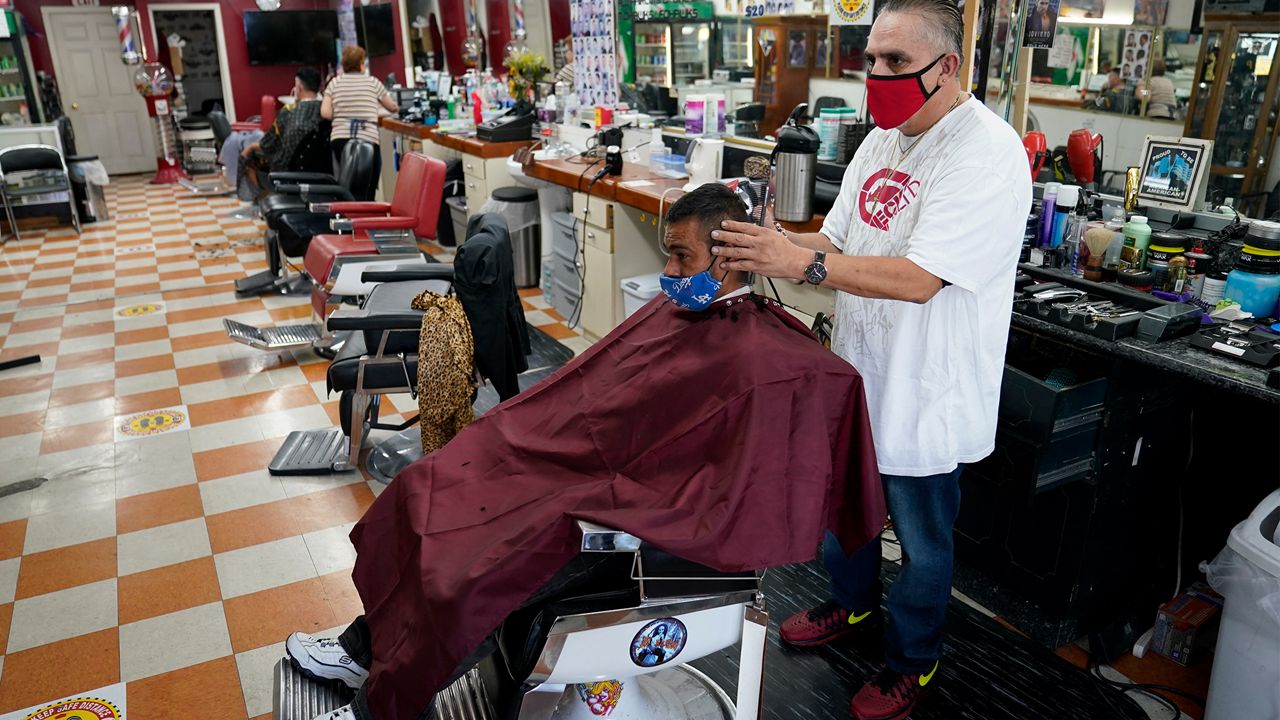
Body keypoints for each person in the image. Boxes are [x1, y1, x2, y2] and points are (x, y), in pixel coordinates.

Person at [285, 184, 886, 720]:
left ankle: (379, 708)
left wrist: (614, 503)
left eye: (681, 257)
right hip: (579, 468)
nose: (669, 272)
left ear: (729, 258)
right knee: (429, 489)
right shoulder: (682, 311)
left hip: (627, 514)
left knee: (469, 570)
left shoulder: (769, 361)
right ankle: (361, 652)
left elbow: (726, 478)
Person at [708, 0, 1032, 718]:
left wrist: (803, 262)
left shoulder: (987, 153)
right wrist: (774, 244)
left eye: (895, 62)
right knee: (842, 510)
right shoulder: (881, 140)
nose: (875, 76)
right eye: (871, 60)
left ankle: (913, 659)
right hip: (859, 377)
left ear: (947, 67)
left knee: (921, 543)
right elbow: (835, 243)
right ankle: (851, 605)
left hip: (928, 392)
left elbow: (921, 278)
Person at [322, 45, 397, 199]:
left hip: (340, 138)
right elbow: (392, 107)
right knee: (368, 181)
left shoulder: (334, 83)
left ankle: (346, 210)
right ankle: (367, 208)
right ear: (362, 63)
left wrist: (344, 112)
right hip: (368, 138)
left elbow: (326, 113)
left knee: (345, 181)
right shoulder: (373, 82)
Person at [238, 67, 324, 197]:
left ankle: (258, 199)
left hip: (286, 174)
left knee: (247, 157)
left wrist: (250, 147)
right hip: (320, 174)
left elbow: (267, 144)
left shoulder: (288, 112)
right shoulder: (325, 111)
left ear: (298, 88)